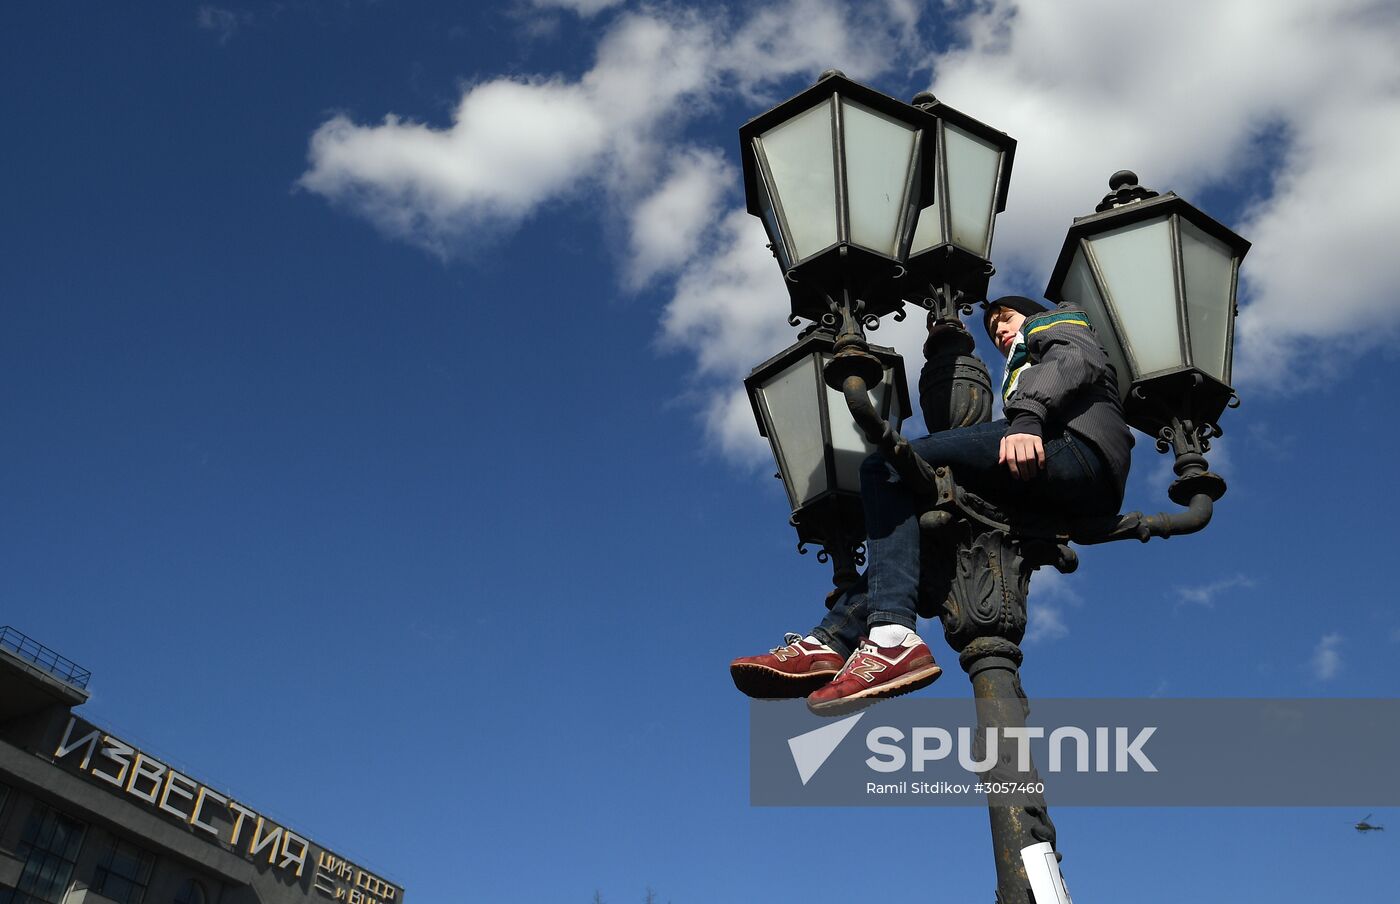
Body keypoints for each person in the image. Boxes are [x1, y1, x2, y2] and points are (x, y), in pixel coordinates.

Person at [730, 295, 1133, 715]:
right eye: (992, 327)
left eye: (1006, 318)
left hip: (1075, 447)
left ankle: (890, 637)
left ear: (1031, 315)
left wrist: (1028, 419)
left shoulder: (1056, 321)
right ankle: (832, 641)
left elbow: (1075, 359)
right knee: (927, 525)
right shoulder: (1022, 365)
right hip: (1067, 490)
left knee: (889, 466)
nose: (999, 330)